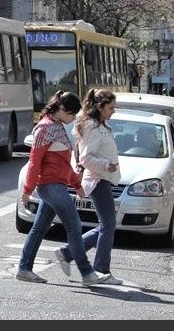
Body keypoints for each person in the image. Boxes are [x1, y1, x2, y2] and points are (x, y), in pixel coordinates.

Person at [16, 90, 110, 287]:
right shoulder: (45, 128)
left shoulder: (57, 126)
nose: (73, 118)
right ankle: (87, 273)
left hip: (55, 185)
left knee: (40, 228)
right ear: (60, 109)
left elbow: (64, 164)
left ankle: (24, 268)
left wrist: (77, 185)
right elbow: (34, 162)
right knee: (74, 226)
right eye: (71, 114)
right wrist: (27, 190)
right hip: (50, 186)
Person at [55, 88, 123, 285]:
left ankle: (67, 252)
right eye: (110, 108)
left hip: (102, 178)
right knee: (108, 225)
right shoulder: (93, 127)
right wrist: (106, 165)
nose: (113, 111)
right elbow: (85, 158)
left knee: (106, 225)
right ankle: (101, 270)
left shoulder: (99, 125)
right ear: (100, 107)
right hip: (97, 179)